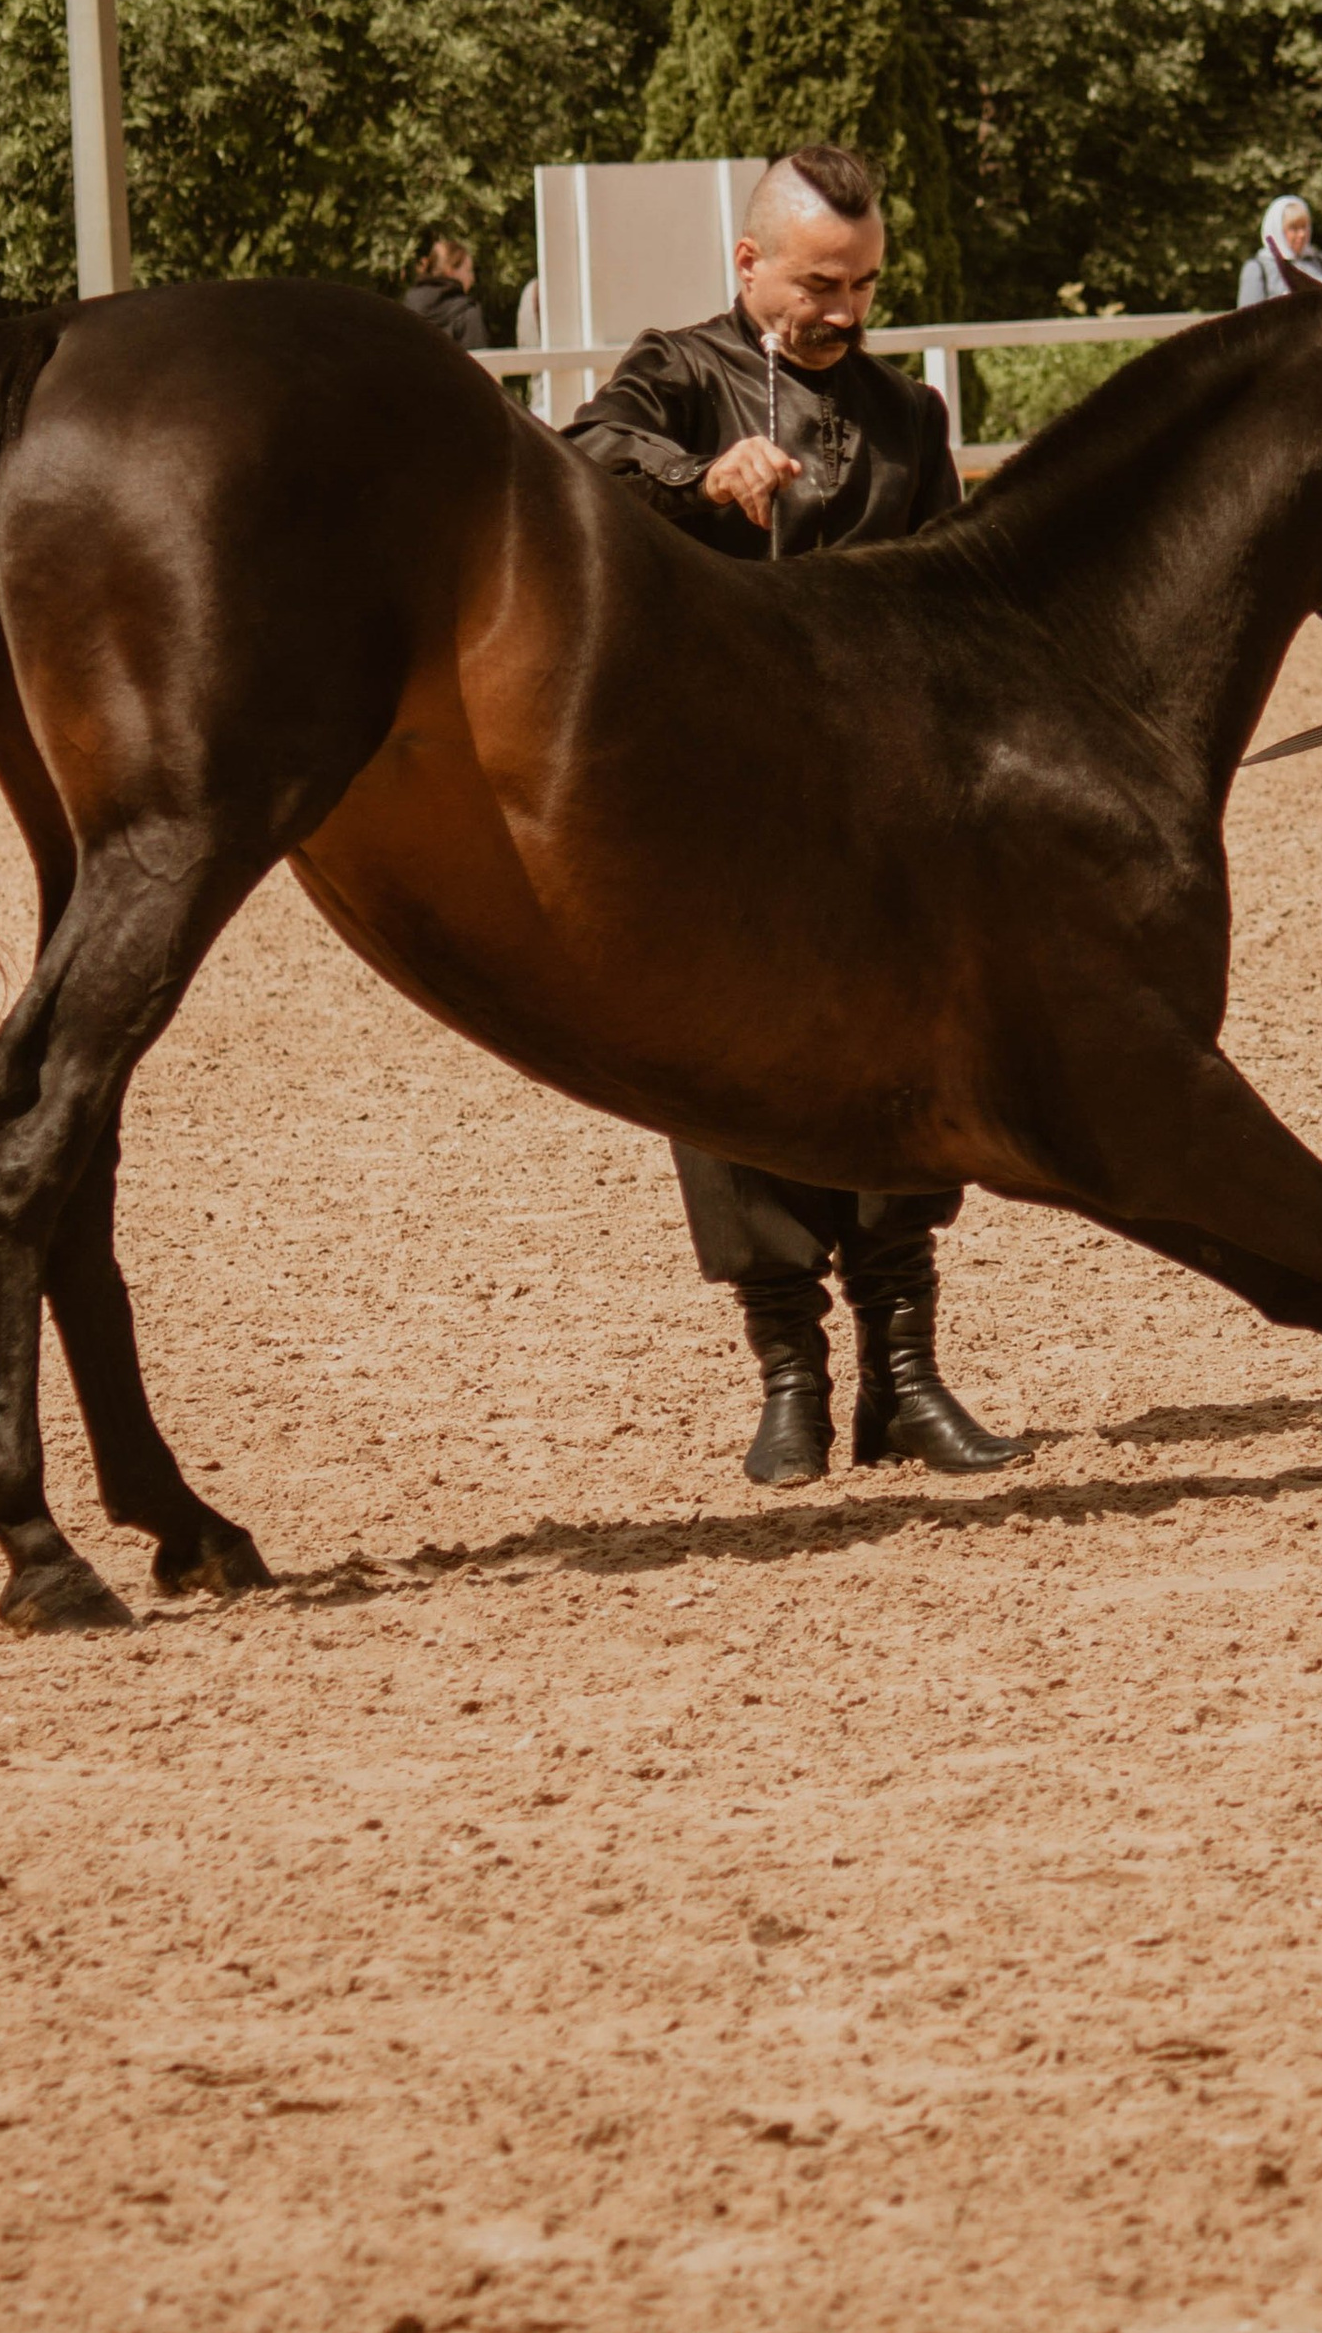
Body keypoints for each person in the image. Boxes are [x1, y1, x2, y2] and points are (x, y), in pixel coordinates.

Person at [562, 142, 1025, 1490]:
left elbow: (960, 593)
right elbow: (584, 452)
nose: (846, 310)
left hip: (885, 804)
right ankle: (789, 1380)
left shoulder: (909, 417)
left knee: (906, 1063)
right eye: (821, 283)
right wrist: (699, 479)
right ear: (751, 264)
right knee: (728, 1065)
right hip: (719, 803)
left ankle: (908, 1374)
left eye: (866, 284)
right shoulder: (678, 368)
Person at [1236, 194, 1322, 303]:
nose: (1302, 234)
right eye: (1294, 228)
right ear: (1277, 230)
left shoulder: (1320, 262)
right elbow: (1249, 316)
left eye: (1304, 226)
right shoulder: (1258, 268)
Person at [403, 232, 489, 352]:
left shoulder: (406, 306)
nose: (472, 279)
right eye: (468, 271)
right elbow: (478, 364)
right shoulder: (467, 312)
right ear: (450, 271)